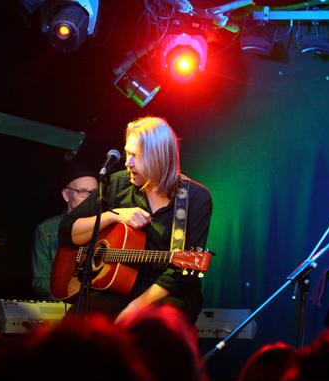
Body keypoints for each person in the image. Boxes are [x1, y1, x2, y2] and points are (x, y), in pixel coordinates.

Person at [58, 116, 213, 324]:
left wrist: (137, 306)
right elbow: (66, 231)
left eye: (136, 156)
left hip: (167, 293)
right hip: (117, 287)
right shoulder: (117, 183)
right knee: (75, 325)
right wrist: (114, 215)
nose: (127, 163)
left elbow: (181, 274)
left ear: (159, 157)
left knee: (150, 325)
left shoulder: (195, 198)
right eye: (127, 153)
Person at [31, 163, 98, 298]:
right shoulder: (47, 230)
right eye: (83, 192)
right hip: (62, 302)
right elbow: (41, 282)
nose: (90, 199)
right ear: (66, 195)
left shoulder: (107, 227)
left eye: (95, 193)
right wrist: (73, 288)